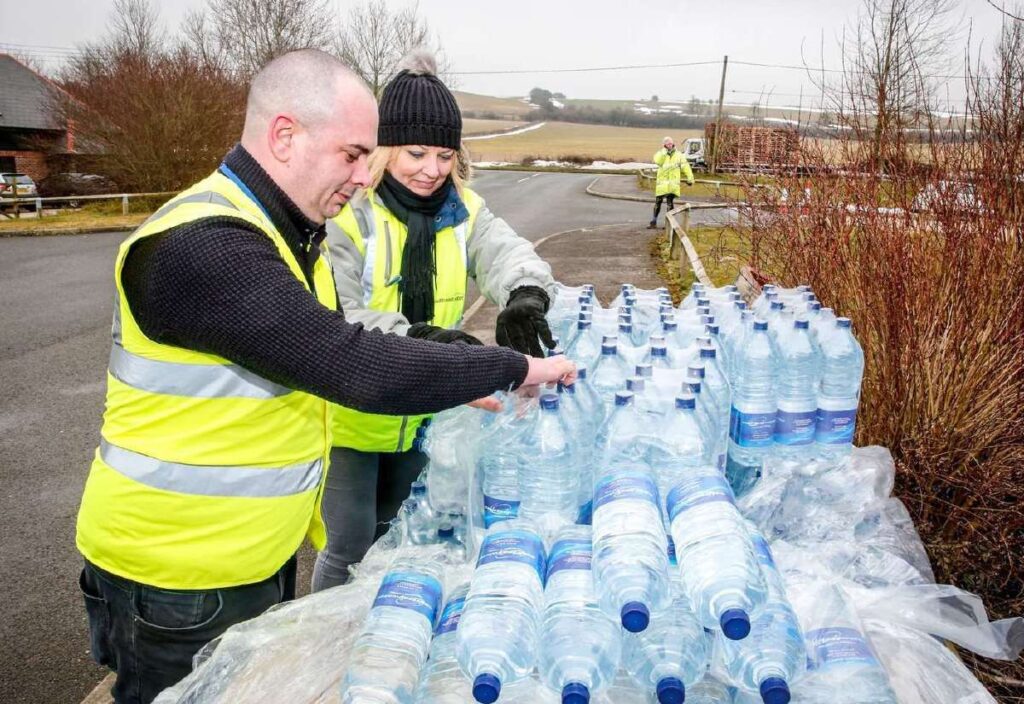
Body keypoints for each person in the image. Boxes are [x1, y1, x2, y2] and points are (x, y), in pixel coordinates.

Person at [74, 49, 574, 704]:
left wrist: (488, 345)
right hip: (175, 576)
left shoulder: (289, 232)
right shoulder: (207, 245)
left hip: (247, 557)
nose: (364, 174)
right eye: (352, 154)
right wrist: (509, 367)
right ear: (285, 135)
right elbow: (350, 360)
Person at [314, 51, 558, 591]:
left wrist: (525, 294)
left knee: (403, 535)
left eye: (445, 155)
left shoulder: (463, 210)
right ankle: (326, 647)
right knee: (349, 543)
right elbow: (338, 312)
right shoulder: (350, 213)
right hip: (349, 416)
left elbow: (507, 253)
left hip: (427, 409)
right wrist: (425, 341)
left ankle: (384, 636)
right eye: (416, 152)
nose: (431, 169)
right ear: (384, 150)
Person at [649, 135, 694, 228]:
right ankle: (653, 221)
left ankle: (668, 224)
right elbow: (658, 161)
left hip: (673, 184)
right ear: (664, 144)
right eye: (667, 143)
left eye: (670, 143)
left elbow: (686, 167)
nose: (669, 145)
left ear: (673, 143)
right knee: (658, 202)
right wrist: (664, 152)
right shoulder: (660, 154)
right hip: (662, 184)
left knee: (670, 202)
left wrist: (690, 178)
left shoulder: (679, 155)